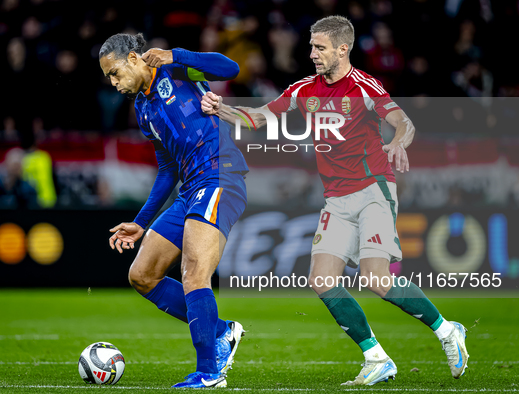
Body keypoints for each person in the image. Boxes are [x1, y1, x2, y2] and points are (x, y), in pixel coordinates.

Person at [201, 15, 469, 386]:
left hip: (373, 190)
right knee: (322, 280)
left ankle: (447, 331)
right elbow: (259, 118)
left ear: (343, 49)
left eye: (320, 47)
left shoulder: (363, 86)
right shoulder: (302, 90)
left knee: (377, 279)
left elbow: (404, 122)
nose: (312, 53)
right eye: (311, 46)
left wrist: (396, 142)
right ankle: (376, 358)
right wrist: (221, 109)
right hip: (336, 199)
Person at [100, 33, 248, 388]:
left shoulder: (178, 71)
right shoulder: (143, 110)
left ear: (134, 58)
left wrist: (175, 54)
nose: (113, 83)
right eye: (108, 78)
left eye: (115, 73)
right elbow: (168, 169)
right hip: (190, 189)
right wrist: (140, 223)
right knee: (142, 274)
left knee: (194, 272)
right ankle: (222, 332)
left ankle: (210, 372)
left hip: (219, 176)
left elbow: (231, 68)